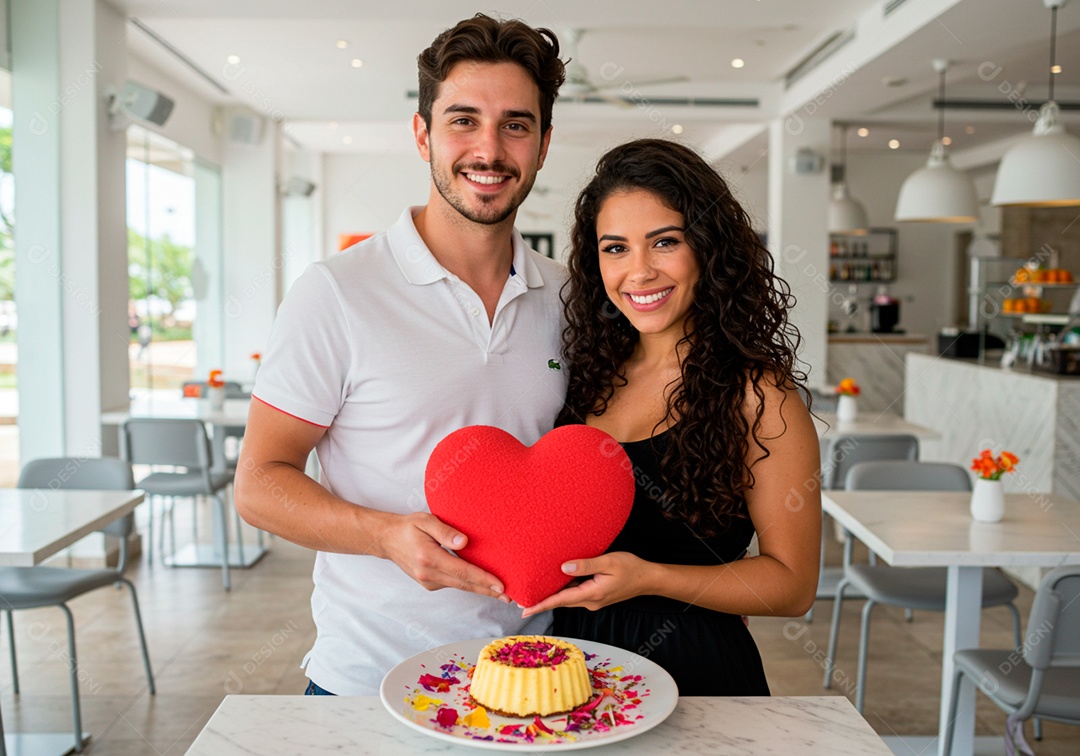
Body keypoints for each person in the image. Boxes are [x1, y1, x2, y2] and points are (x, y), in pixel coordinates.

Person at [234, 15, 567, 696]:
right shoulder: (336, 292)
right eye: (463, 121)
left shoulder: (572, 298)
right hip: (368, 684)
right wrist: (385, 534)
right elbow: (259, 483)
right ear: (422, 135)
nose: (489, 149)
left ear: (543, 144)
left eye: (516, 124)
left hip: (530, 682)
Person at [521, 139, 822, 696]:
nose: (639, 272)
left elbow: (793, 584)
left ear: (708, 248)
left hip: (695, 672)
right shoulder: (587, 373)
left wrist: (651, 579)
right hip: (573, 671)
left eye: (664, 242)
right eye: (615, 248)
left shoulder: (759, 394)